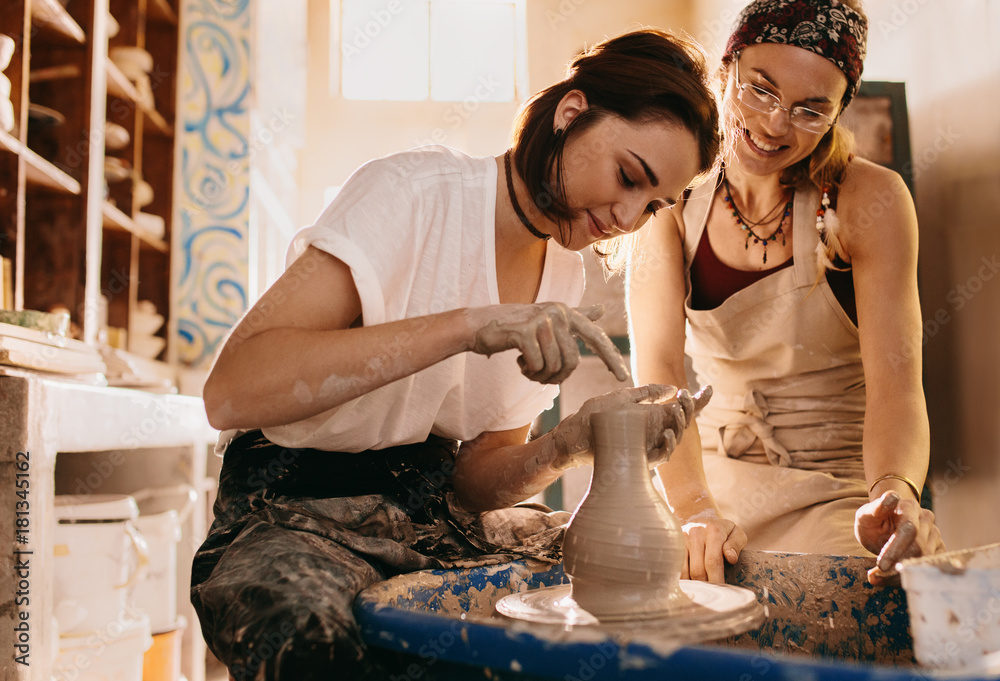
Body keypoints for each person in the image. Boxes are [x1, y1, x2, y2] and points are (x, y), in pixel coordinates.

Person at [192, 28, 720, 680]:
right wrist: (470, 325)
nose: (628, 215)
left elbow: (474, 480)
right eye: (628, 176)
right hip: (291, 506)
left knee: (618, 583)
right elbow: (231, 390)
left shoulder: (563, 276)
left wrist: (571, 443)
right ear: (572, 112)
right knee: (308, 634)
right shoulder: (413, 194)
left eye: (654, 204)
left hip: (428, 514)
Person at [628, 0, 946, 587]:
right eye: (760, 90)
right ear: (726, 72)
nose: (775, 124)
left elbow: (897, 387)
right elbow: (659, 378)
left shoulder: (868, 200)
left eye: (810, 109)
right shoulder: (673, 192)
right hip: (702, 480)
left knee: (860, 604)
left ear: (839, 112)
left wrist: (894, 494)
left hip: (835, 494)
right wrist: (694, 511)